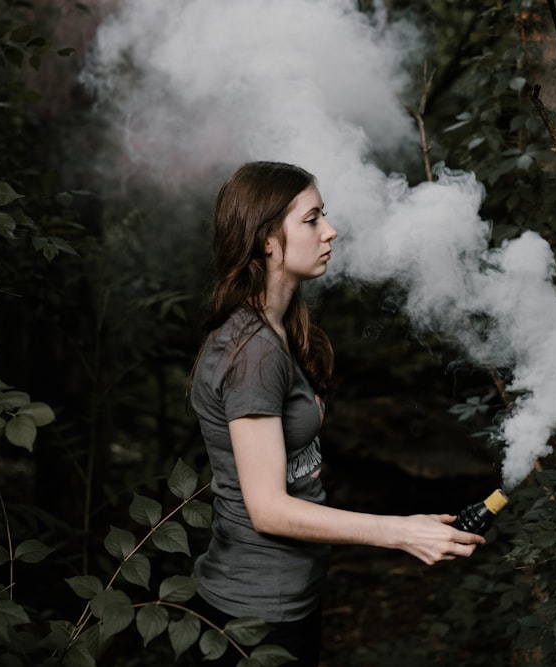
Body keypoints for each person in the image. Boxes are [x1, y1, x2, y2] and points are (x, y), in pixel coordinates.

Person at [186, 161, 484, 666]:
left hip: (287, 604)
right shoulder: (253, 354)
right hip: (252, 620)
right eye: (312, 219)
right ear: (266, 240)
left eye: (325, 215)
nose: (330, 230)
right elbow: (269, 510)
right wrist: (401, 532)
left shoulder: (280, 330)